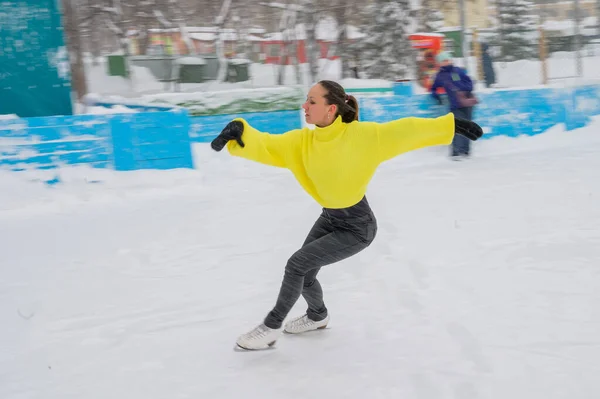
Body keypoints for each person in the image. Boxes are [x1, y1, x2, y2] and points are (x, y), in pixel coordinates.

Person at [211, 80, 483, 350]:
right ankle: (317, 316)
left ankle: (270, 328)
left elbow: (406, 130)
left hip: (357, 227)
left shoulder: (363, 137)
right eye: (307, 100)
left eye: (312, 101)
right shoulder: (302, 141)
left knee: (296, 264)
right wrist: (240, 131)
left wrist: (452, 125)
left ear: (331, 109)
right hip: (330, 217)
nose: (305, 106)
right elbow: (267, 144)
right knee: (304, 273)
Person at [431, 51, 476, 159]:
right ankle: (455, 152)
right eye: (443, 61)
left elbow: (470, 82)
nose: (446, 62)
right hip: (455, 105)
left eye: (447, 60)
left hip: (467, 102)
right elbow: (433, 88)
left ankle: (466, 151)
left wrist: (463, 88)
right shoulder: (440, 76)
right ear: (440, 63)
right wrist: (437, 97)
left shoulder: (458, 70)